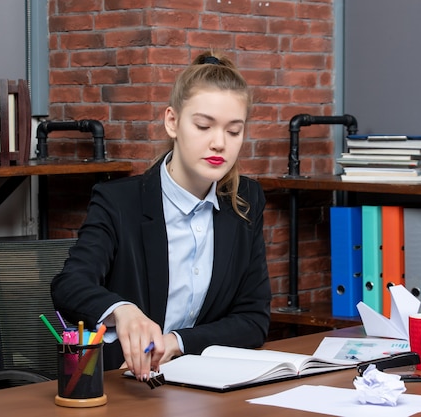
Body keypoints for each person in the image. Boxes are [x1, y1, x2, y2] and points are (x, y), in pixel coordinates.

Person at [51, 51, 271, 381]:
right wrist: (121, 311)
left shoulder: (246, 201)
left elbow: (253, 319)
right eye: (203, 126)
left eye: (234, 131)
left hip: (203, 384)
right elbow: (69, 285)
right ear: (172, 122)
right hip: (125, 386)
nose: (219, 143)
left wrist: (178, 342)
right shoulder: (119, 201)